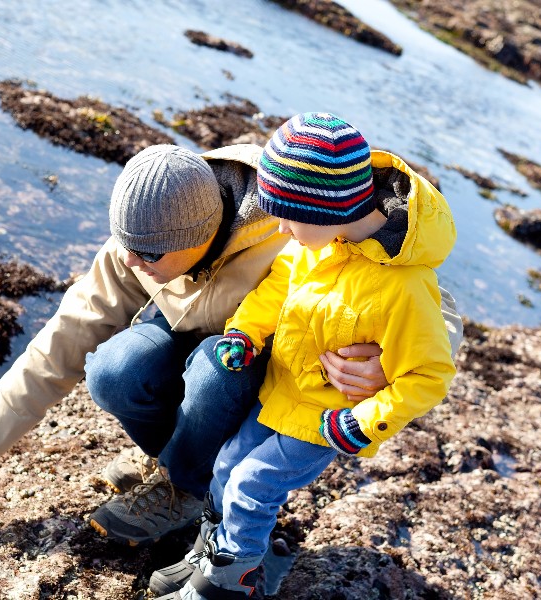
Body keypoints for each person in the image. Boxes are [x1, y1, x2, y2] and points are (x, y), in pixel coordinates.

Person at [0, 141, 463, 545]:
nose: (128, 262)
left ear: (198, 242)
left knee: (217, 371)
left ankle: (186, 489)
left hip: (262, 368)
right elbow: (54, 350)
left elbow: (420, 275)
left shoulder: (296, 216)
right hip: (194, 341)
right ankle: (179, 469)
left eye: (146, 256)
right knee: (114, 370)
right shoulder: (142, 234)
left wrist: (389, 368)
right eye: (124, 245)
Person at [150, 112, 458, 600]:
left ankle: (228, 587)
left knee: (252, 484)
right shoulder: (319, 244)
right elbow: (277, 289)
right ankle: (215, 554)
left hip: (325, 419)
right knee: (228, 465)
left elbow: (430, 373)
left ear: (326, 209)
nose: (282, 228)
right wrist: (245, 334)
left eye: (288, 216)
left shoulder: (404, 286)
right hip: (279, 396)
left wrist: (363, 423)